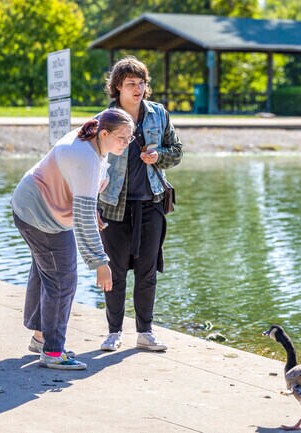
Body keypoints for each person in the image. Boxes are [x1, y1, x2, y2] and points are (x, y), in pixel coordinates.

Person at [11, 108, 135, 370]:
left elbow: (84, 199)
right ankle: (53, 353)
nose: (127, 143)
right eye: (123, 138)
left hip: (41, 209)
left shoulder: (95, 143)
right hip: (38, 213)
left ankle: (40, 338)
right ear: (104, 133)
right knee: (63, 279)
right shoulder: (84, 156)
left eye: (130, 138)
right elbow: (81, 219)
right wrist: (100, 262)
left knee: (47, 271)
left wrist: (95, 211)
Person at [98, 55, 182, 352]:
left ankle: (145, 332)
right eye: (130, 83)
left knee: (147, 271)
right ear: (117, 87)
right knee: (115, 272)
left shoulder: (159, 114)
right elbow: (92, 161)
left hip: (152, 203)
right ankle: (113, 332)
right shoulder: (104, 120)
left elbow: (177, 150)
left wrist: (159, 156)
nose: (137, 88)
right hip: (112, 206)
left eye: (141, 82)